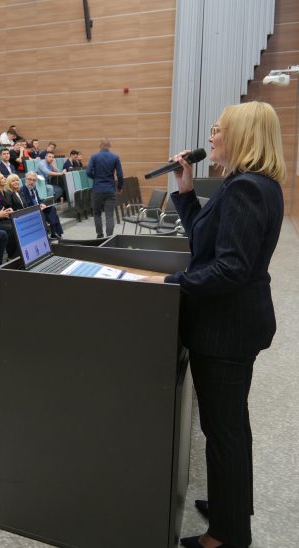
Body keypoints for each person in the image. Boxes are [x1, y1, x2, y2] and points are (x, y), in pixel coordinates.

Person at [142, 102, 285, 548]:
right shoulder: (248, 185)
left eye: (217, 130)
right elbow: (209, 238)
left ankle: (227, 535)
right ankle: (231, 504)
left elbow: (229, 268)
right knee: (231, 425)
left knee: (224, 430)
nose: (211, 137)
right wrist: (184, 191)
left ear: (241, 137)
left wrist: (170, 284)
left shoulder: (247, 188)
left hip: (226, 329)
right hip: (237, 322)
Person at [86, 138, 123, 238]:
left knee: (97, 213)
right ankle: (109, 237)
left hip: (97, 189)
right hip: (110, 189)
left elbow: (88, 172)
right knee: (109, 215)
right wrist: (120, 187)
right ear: (109, 146)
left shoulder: (94, 156)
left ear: (100, 145)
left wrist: (96, 178)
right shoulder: (115, 157)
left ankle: (99, 235)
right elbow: (120, 175)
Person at [20, 172, 65, 239]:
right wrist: (38, 207)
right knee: (42, 213)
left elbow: (38, 199)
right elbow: (27, 203)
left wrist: (42, 204)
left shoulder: (34, 188)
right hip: (31, 210)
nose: (31, 182)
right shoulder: (23, 190)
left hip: (38, 208)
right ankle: (46, 235)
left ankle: (55, 232)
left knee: (52, 209)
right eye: (29, 179)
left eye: (34, 180)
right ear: (25, 179)